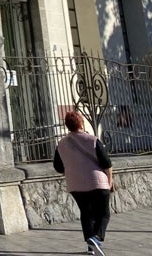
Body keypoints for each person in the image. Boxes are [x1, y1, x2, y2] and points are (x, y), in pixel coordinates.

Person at [54, 110, 114, 256]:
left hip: (75, 185)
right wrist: (110, 180)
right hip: (97, 183)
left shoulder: (61, 144)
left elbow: (58, 167)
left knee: (86, 214)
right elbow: (106, 163)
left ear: (67, 125)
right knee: (103, 214)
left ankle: (91, 248)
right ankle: (96, 237)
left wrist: (72, 171)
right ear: (81, 122)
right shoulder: (92, 140)